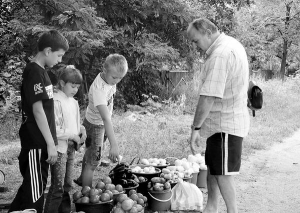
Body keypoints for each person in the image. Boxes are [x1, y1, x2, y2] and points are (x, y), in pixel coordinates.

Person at [187, 18, 250, 213]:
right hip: (222, 123)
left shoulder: (220, 54)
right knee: (214, 168)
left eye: (196, 40)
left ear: (207, 32)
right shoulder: (230, 44)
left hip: (225, 124)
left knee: (224, 173)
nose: (195, 46)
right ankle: (211, 207)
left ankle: (233, 211)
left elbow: (208, 96)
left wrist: (195, 128)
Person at [9, 30, 69, 213]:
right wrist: (51, 143)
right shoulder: (34, 72)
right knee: (34, 196)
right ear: (48, 50)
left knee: (31, 189)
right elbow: (37, 110)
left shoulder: (42, 72)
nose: (59, 60)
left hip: (40, 141)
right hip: (36, 142)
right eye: (59, 55)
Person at [74, 53, 128, 187]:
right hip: (95, 125)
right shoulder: (99, 90)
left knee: (90, 152)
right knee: (94, 161)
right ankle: (87, 193)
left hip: (95, 122)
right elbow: (105, 118)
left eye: (120, 78)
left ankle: (82, 179)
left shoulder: (108, 79)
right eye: (114, 77)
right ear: (104, 71)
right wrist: (114, 145)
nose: (116, 81)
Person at [43, 65, 87, 213]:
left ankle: (65, 210)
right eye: (73, 86)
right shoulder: (56, 101)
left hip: (71, 147)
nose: (75, 90)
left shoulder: (73, 101)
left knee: (68, 183)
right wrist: (73, 135)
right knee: (58, 186)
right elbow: (54, 129)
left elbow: (75, 122)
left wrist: (82, 129)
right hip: (59, 148)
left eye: (77, 87)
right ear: (62, 83)